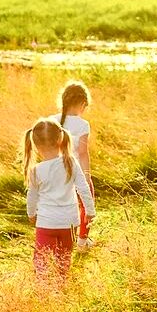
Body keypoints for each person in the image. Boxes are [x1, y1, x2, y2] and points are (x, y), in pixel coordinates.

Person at [22, 118, 95, 284]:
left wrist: (31, 214)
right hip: (70, 222)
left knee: (42, 259)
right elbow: (83, 188)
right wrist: (90, 211)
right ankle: (61, 287)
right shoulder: (71, 162)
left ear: (34, 144)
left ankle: (43, 290)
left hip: (46, 222)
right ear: (60, 139)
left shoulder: (36, 170)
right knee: (64, 258)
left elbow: (31, 197)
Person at [50, 81, 95, 248]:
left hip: (55, 172)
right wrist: (87, 176)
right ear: (83, 103)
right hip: (75, 172)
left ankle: (58, 237)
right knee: (85, 202)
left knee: (60, 204)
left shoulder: (52, 120)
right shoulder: (82, 124)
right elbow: (83, 153)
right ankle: (82, 239)